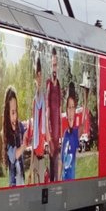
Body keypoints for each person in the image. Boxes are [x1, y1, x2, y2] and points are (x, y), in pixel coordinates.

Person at [3, 86, 29, 186]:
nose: (15, 116)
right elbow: (14, 156)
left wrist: (28, 133)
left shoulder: (19, 126)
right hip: (14, 184)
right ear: (7, 113)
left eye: (16, 111)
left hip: (21, 179)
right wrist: (24, 145)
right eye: (12, 113)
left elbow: (26, 131)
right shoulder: (6, 134)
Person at [29, 56, 47, 185]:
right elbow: (33, 129)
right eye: (37, 76)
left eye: (41, 75)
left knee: (41, 182)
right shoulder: (34, 102)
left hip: (42, 152)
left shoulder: (43, 101)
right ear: (35, 78)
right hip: (35, 152)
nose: (39, 79)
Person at [46, 47, 62, 181]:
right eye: (52, 65)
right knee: (52, 162)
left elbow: (60, 108)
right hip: (51, 132)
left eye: (56, 65)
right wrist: (49, 136)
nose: (54, 69)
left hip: (58, 133)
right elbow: (47, 111)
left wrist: (60, 134)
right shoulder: (48, 84)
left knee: (57, 162)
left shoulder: (59, 85)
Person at [61, 83, 80, 180]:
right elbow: (61, 160)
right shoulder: (65, 134)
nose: (71, 110)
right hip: (63, 178)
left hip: (71, 180)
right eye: (69, 107)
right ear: (66, 110)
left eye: (73, 107)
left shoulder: (76, 132)